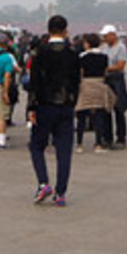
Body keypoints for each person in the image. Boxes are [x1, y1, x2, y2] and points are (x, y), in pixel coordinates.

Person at [27, 15, 80, 207]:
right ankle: (61, 193)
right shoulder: (73, 52)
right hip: (66, 106)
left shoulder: (39, 52)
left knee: (36, 146)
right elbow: (76, 82)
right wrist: (73, 103)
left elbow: (34, 83)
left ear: (48, 30)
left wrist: (31, 108)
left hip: (44, 105)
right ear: (66, 30)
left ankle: (43, 183)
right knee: (64, 151)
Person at [75, 33, 116, 153]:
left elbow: (80, 72)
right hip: (99, 85)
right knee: (99, 116)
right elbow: (105, 72)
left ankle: (79, 144)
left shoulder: (82, 57)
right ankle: (98, 144)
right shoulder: (104, 57)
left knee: (81, 116)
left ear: (87, 44)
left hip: (86, 85)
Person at [100, 25, 127, 149]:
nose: (104, 38)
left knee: (119, 110)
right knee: (106, 110)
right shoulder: (105, 48)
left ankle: (121, 138)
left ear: (113, 35)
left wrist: (105, 68)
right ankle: (107, 137)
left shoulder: (121, 48)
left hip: (117, 80)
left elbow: (120, 65)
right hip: (106, 80)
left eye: (106, 36)